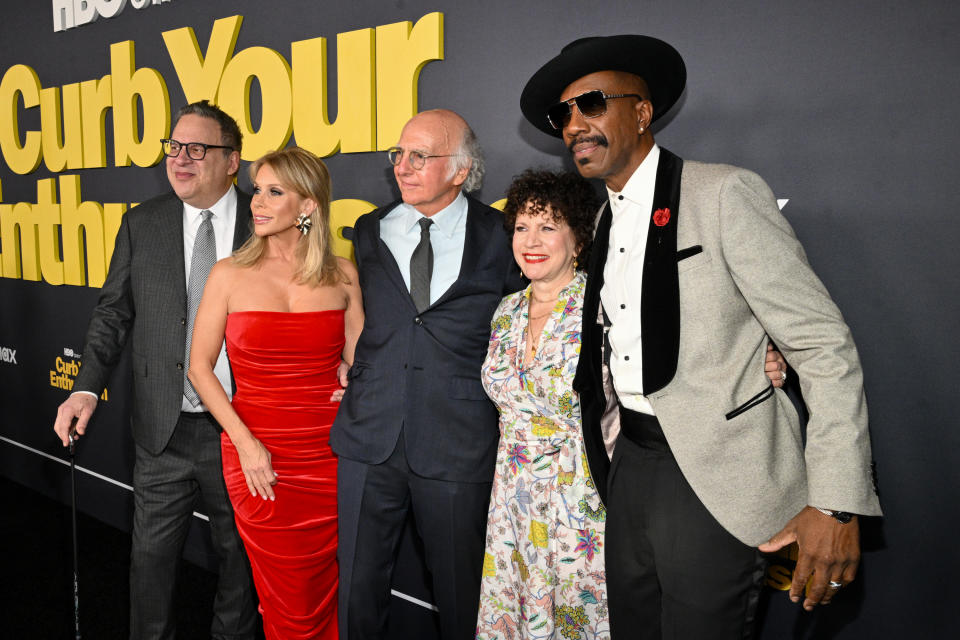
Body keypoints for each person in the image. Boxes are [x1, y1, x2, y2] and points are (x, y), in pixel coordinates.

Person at [519, 36, 883, 639]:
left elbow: (821, 345)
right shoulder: (603, 217)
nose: (575, 124)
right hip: (630, 466)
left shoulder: (723, 194)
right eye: (564, 115)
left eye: (591, 103)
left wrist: (836, 501)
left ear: (641, 111)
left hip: (715, 474)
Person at [52, 101, 257, 640]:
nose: (180, 159)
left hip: (240, 431)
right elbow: (112, 313)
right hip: (161, 430)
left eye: (198, 149)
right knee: (149, 563)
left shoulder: (267, 222)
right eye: (174, 146)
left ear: (232, 161)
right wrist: (87, 389)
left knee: (242, 566)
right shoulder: (143, 223)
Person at [329, 109, 526, 639]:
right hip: (370, 434)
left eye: (421, 156)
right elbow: (370, 317)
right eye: (399, 154)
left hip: (458, 440)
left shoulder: (502, 234)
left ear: (461, 171)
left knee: (462, 596)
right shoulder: (370, 229)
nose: (404, 166)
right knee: (356, 591)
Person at [188, 146, 362, 639]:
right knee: (282, 592)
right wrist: (247, 445)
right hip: (256, 453)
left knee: (327, 585)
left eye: (273, 192)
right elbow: (199, 370)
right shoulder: (228, 275)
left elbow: (362, 359)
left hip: (330, 453)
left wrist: (353, 378)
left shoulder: (343, 274)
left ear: (307, 206)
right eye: (257, 190)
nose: (257, 202)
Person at [475, 170, 608, 639]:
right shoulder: (506, 310)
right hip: (512, 495)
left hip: (579, 497)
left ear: (578, 239)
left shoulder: (604, 306)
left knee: (578, 615)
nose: (531, 240)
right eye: (522, 226)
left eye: (548, 226)